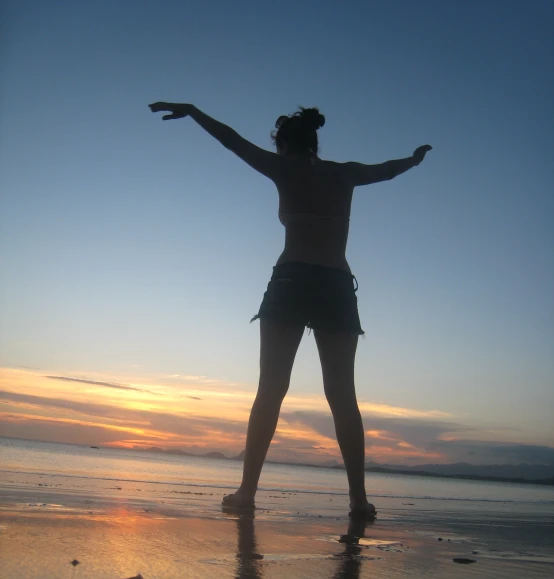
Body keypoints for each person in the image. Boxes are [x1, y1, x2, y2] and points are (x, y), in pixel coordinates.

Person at [149, 102, 432, 517]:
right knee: (342, 397)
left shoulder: (284, 168)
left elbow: (232, 141)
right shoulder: (345, 172)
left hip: (292, 281)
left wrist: (193, 111)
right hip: (335, 285)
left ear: (283, 145)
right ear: (315, 143)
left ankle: (247, 493)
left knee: (271, 390)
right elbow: (388, 169)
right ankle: (358, 500)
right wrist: (414, 159)